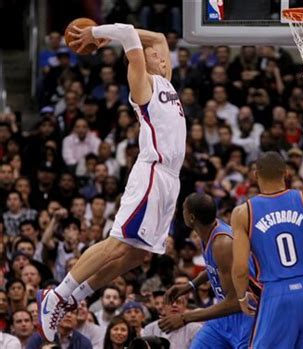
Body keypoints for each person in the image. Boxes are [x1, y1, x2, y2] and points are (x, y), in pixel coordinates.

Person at [37, 22, 186, 342]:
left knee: (138, 254)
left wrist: (109, 37)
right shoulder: (142, 83)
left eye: (160, 55)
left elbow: (158, 36)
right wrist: (99, 34)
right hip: (152, 172)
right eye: (153, 55)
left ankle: (77, 297)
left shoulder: (166, 80)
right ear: (143, 61)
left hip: (170, 180)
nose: (161, 54)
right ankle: (57, 295)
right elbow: (131, 36)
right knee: (118, 242)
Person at [231, 151, 303, 349]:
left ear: (255, 174)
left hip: (276, 293)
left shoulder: (244, 213)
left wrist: (242, 296)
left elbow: (241, 267)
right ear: (286, 173)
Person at [160, 193, 254, 348]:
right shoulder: (208, 231)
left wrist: (185, 317)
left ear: (191, 218)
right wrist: (190, 285)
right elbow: (215, 268)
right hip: (223, 317)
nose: (180, 211)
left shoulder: (222, 243)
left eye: (183, 208)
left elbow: (237, 301)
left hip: (245, 316)